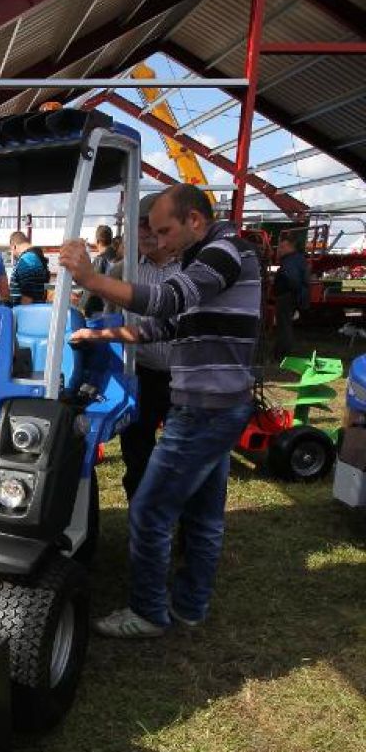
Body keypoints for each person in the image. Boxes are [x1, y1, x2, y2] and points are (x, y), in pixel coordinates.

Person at [61, 182, 260, 638]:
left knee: (149, 510)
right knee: (205, 515)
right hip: (219, 405)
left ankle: (149, 612)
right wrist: (99, 337)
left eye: (166, 232)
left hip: (204, 409)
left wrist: (92, 279)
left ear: (195, 219)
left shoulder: (225, 251)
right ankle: (191, 605)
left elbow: (168, 300)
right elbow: (164, 326)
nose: (162, 243)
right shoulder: (208, 259)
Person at [119, 200, 180, 500]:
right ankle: (140, 521)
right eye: (139, 223)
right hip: (139, 376)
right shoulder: (124, 269)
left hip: (183, 378)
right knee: (136, 453)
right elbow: (95, 308)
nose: (144, 231)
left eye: (151, 224)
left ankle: (183, 532)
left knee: (182, 459)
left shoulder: (191, 267)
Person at [273, 231, 309, 362]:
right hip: (291, 295)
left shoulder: (290, 260)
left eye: (282, 247)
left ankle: (282, 354)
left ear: (289, 246)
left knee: (284, 326)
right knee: (285, 325)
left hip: (287, 296)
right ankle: (282, 352)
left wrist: (289, 292)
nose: (280, 250)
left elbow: (293, 279)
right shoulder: (297, 259)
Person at [8, 231, 50, 305]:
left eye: (11, 250)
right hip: (34, 310)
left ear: (14, 246)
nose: (13, 254)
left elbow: (28, 295)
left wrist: (23, 313)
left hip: (25, 312)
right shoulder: (35, 257)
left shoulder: (27, 260)